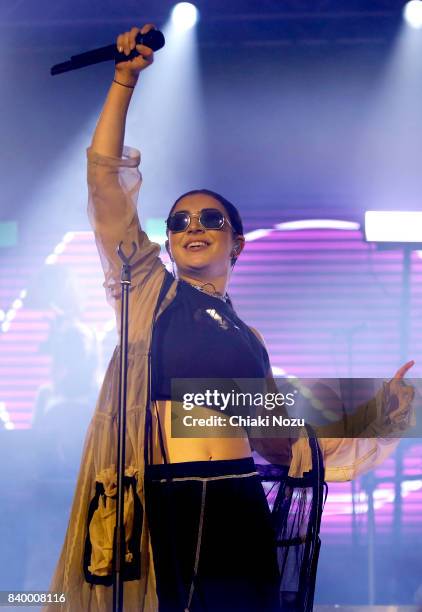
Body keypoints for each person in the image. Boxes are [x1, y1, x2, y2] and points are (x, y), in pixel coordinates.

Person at [46, 24, 416, 612]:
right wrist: (123, 82)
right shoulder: (154, 296)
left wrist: (381, 414)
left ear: (238, 243)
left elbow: (282, 438)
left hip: (240, 499)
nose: (192, 227)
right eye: (179, 222)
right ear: (166, 243)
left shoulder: (249, 337)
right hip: (176, 498)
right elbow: (108, 192)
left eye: (209, 219)